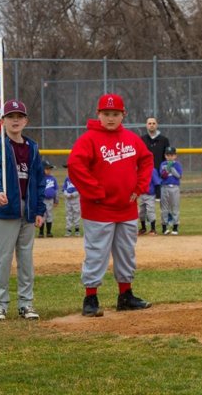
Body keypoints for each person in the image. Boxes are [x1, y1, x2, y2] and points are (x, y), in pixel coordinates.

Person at [68, 93, 154, 317]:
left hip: (126, 207)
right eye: (106, 114)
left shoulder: (131, 138)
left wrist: (139, 188)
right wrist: (95, 192)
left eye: (115, 114)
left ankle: (125, 296)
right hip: (99, 209)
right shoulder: (88, 139)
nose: (110, 118)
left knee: (126, 253)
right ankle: (91, 297)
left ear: (123, 115)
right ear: (98, 114)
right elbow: (75, 166)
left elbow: (146, 160)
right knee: (97, 254)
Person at [0, 100, 45, 321]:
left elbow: (38, 180)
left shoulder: (32, 147)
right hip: (5, 207)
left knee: (26, 258)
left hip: (27, 208)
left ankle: (26, 303)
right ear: (2, 121)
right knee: (3, 258)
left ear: (26, 121)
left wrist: (39, 209)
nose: (15, 120)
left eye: (19, 116)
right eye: (10, 116)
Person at [141, 116, 170, 200]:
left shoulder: (164, 140)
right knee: (147, 199)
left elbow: (168, 157)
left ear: (157, 125)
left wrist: (166, 170)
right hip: (146, 172)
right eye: (149, 123)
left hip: (160, 171)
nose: (151, 125)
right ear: (146, 125)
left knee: (162, 201)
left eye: (153, 123)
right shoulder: (142, 139)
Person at [160, 146, 182, 235]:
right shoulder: (163, 164)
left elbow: (179, 176)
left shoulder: (177, 164)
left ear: (175, 156)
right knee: (164, 208)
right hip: (164, 187)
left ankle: (175, 227)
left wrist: (171, 168)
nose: (170, 157)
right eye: (168, 155)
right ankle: (164, 227)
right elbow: (163, 176)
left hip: (175, 187)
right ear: (165, 156)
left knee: (175, 207)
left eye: (172, 155)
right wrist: (167, 168)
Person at [138, 166, 161, 235]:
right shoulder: (140, 170)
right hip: (141, 194)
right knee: (141, 212)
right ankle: (143, 228)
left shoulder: (152, 170)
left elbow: (157, 183)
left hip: (150, 195)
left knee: (150, 211)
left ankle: (153, 229)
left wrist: (158, 196)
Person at [39, 160, 58, 238]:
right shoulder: (40, 178)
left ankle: (49, 232)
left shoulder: (53, 178)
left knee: (49, 215)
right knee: (42, 215)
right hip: (42, 200)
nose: (49, 170)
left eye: (50, 169)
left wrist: (56, 200)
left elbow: (56, 190)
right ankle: (41, 232)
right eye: (47, 169)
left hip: (50, 200)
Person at [61, 162, 81, 237]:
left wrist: (74, 194)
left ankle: (77, 230)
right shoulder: (67, 179)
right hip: (68, 199)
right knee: (68, 214)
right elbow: (64, 188)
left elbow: (80, 189)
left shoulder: (77, 178)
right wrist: (66, 194)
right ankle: (68, 230)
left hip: (75, 199)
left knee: (76, 213)